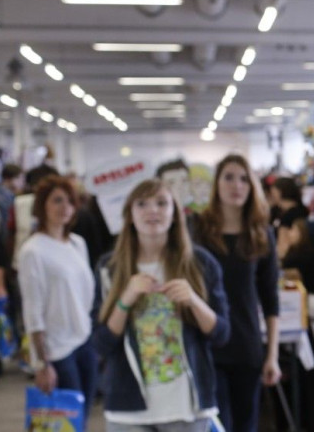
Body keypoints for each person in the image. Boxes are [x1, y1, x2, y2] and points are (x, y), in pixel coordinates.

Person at [92, 178, 229, 431]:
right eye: (142, 204)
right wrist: (125, 300)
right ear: (130, 215)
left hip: (187, 407)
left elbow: (221, 334)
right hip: (127, 410)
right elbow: (101, 343)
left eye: (161, 203)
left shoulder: (200, 263)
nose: (152, 210)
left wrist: (194, 302)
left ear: (175, 214)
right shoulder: (109, 269)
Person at [193, 154, 281, 432]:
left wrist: (272, 355)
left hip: (247, 347)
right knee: (217, 426)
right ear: (216, 184)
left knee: (246, 425)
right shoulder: (199, 231)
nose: (237, 185)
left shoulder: (261, 234)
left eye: (244, 179)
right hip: (209, 347)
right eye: (228, 177)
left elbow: (270, 299)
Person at [17, 175, 97, 421]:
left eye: (70, 202)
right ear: (43, 206)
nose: (65, 207)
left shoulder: (77, 243)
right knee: (66, 419)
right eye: (57, 201)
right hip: (57, 349)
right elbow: (33, 309)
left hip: (84, 340)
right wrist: (42, 364)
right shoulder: (33, 250)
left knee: (83, 414)